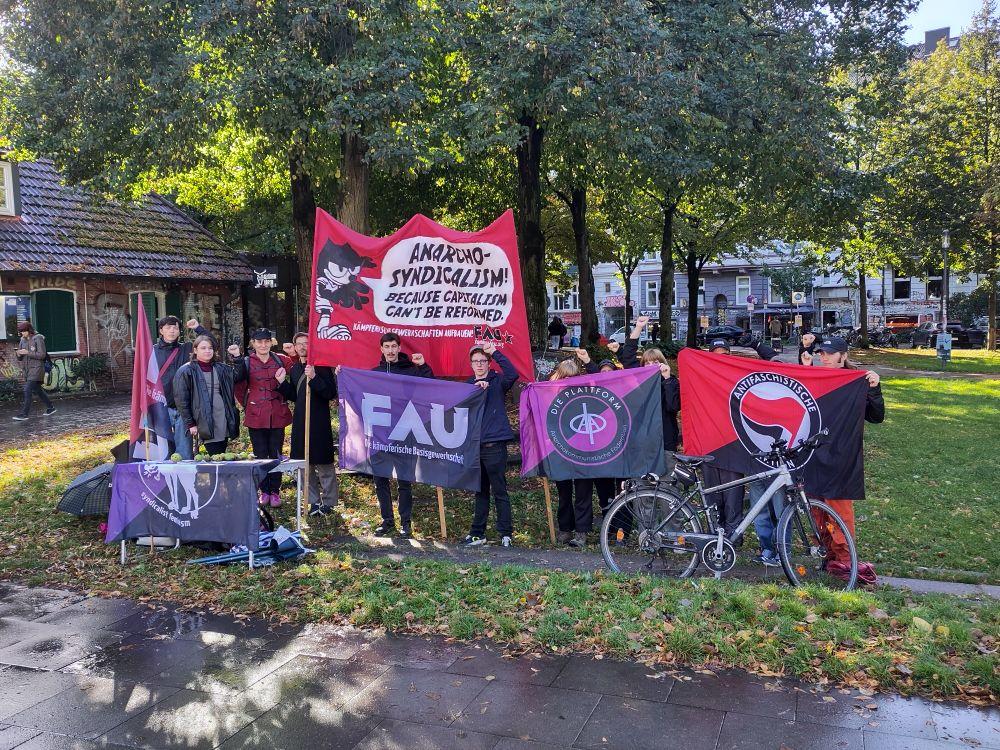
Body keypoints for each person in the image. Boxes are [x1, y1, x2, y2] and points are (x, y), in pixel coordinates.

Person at [337, 332, 433, 537]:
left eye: (393, 346)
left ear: (399, 348)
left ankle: (406, 523)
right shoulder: (374, 373)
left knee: (404, 480)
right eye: (386, 347)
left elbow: (431, 386)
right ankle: (387, 520)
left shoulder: (411, 371)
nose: (390, 350)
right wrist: (342, 376)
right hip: (379, 435)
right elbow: (357, 394)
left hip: (405, 432)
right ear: (381, 349)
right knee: (380, 479)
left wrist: (423, 365)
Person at [704, 336, 784, 563]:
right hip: (720, 444)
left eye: (725, 354)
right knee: (754, 506)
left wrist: (756, 345)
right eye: (716, 354)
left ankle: (778, 551)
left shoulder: (741, 375)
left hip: (748, 447)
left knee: (769, 504)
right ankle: (762, 547)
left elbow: (774, 363)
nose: (721, 358)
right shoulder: (706, 374)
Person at [813, 335, 884, 583]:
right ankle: (829, 557)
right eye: (821, 353)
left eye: (830, 354)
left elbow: (876, 417)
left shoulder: (858, 381)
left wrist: (874, 389)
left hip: (841, 459)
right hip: (814, 457)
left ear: (843, 356)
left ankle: (845, 560)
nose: (824, 357)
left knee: (839, 512)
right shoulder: (813, 377)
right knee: (817, 512)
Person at [462, 342, 518, 547]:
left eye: (483, 361)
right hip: (475, 447)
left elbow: (513, 374)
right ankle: (478, 533)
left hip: (494, 446)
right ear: (471, 364)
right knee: (480, 491)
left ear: (488, 363)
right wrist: (475, 390)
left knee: (500, 490)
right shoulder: (467, 386)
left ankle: (506, 533)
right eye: (475, 361)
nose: (479, 365)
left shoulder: (497, 382)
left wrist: (495, 351)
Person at [229, 329, 293, 508]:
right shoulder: (248, 362)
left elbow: (297, 369)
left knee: (276, 453)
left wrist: (293, 354)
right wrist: (249, 403)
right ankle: (264, 490)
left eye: (266, 341)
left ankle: (275, 491)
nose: (263, 345)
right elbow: (239, 386)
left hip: (277, 412)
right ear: (253, 343)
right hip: (256, 414)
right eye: (259, 342)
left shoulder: (281, 359)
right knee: (260, 454)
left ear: (271, 342)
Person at [277, 333, 339, 516]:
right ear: (295, 347)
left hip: (320, 422)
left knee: (325, 464)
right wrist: (282, 383)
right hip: (300, 422)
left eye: (306, 343)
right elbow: (296, 396)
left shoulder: (321, 367)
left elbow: (330, 392)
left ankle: (329, 502)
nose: (303, 347)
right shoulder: (295, 369)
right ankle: (313, 502)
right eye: (300, 344)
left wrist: (314, 377)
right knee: (306, 465)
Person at [620, 316, 680, 464]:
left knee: (666, 478)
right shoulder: (639, 380)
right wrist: (639, 327)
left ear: (662, 363)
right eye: (647, 363)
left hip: (665, 438)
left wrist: (667, 380)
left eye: (655, 362)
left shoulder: (671, 381)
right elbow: (628, 356)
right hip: (642, 438)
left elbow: (673, 406)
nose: (651, 365)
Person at [548, 358, 594, 547]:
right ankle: (565, 528)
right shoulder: (549, 392)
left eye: (573, 377)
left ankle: (582, 531)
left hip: (583, 449)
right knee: (564, 491)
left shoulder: (585, 392)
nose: (569, 381)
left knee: (583, 491)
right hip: (560, 449)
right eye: (566, 376)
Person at [153, 316, 212, 457]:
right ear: (161, 330)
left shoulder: (187, 349)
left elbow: (210, 342)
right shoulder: (151, 351)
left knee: (184, 452)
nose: (172, 330)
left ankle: (184, 479)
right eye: (168, 327)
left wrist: (198, 328)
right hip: (160, 406)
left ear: (180, 331)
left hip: (184, 408)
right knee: (162, 452)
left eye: (175, 327)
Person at [173, 335, 239, 455]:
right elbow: (181, 400)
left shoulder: (221, 368)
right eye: (203, 348)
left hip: (222, 416)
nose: (207, 351)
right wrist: (191, 423)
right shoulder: (186, 371)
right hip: (203, 418)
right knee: (214, 454)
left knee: (221, 453)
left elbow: (240, 376)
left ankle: (219, 474)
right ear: (195, 350)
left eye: (210, 348)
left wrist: (237, 357)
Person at [12, 321, 54, 421]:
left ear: (29, 330)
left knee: (27, 389)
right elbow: (20, 358)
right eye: (21, 332)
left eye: (23, 331)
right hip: (27, 370)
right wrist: (18, 353)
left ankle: (24, 414)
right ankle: (51, 407)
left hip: (37, 368)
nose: (22, 333)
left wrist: (28, 352)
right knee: (37, 390)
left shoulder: (38, 338)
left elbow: (42, 355)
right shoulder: (22, 340)